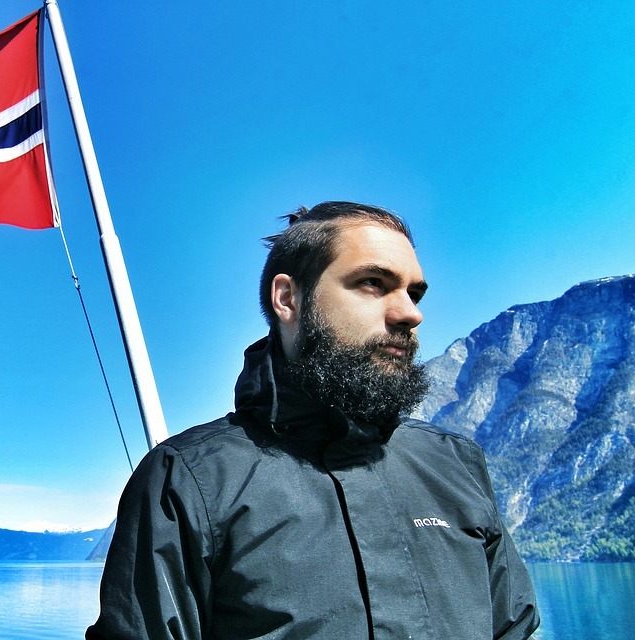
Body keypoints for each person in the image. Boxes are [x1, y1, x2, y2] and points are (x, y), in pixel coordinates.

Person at [86, 201, 539, 640]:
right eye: (373, 283)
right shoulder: (188, 480)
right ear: (288, 298)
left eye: (414, 293)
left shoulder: (455, 464)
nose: (410, 313)